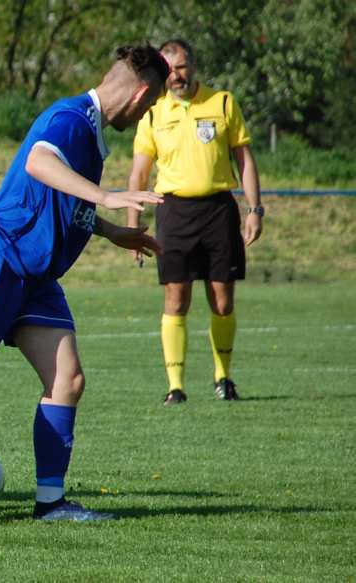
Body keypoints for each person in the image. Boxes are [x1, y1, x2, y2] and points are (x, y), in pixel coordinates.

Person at [0, 45, 169, 521]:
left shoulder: (92, 131)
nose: (149, 113)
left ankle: (50, 503)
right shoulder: (72, 117)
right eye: (153, 102)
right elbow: (41, 163)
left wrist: (111, 230)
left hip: (37, 275)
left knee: (68, 379)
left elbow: (59, 198)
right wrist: (108, 195)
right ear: (142, 92)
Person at [126, 39, 263, 405]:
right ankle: (176, 386)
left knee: (222, 299)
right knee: (176, 297)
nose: (176, 75)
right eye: (169, 69)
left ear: (194, 66)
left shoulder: (222, 103)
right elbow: (138, 175)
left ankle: (224, 378)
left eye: (182, 67)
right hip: (174, 212)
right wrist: (132, 225)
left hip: (219, 210)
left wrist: (255, 209)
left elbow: (245, 160)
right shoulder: (153, 114)